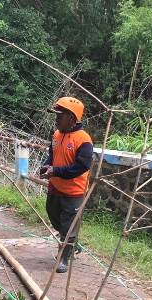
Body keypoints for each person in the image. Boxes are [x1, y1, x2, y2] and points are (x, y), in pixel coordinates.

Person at [38, 96, 93, 273]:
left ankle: (64, 258)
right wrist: (47, 166)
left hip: (74, 191)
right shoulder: (56, 135)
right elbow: (52, 156)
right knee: (54, 216)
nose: (56, 119)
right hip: (55, 187)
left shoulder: (83, 140)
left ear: (71, 117)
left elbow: (81, 167)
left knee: (68, 226)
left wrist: (56, 171)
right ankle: (72, 243)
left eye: (59, 116)